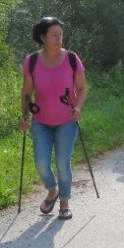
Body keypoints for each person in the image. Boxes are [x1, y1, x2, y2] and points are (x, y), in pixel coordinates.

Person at [19, 16, 88, 220]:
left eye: (60, 34)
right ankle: (52, 190)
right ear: (43, 37)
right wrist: (24, 116)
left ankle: (64, 203)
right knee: (41, 162)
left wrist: (78, 107)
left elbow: (82, 89)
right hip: (41, 121)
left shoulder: (72, 59)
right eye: (54, 35)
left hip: (67, 120)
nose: (59, 38)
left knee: (62, 163)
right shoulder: (32, 61)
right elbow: (26, 93)